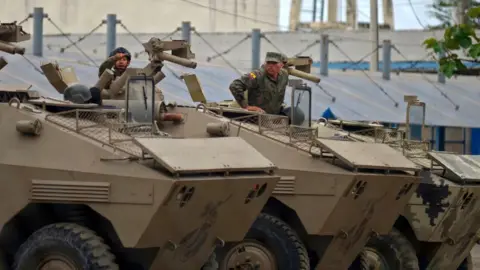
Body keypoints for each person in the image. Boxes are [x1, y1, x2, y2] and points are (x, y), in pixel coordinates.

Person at [229, 52, 305, 125]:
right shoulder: (256, 75)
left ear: (281, 65)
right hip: (257, 118)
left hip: (274, 118)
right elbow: (235, 85)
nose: (270, 66)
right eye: (268, 63)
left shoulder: (284, 76)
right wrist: (246, 106)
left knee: (297, 114)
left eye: (274, 63)